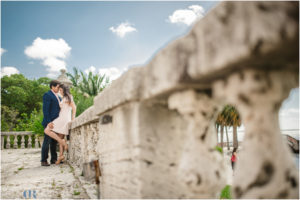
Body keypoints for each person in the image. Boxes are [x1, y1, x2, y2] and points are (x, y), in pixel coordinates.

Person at [44, 84, 76, 164]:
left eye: (61, 90)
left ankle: (62, 143)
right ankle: (61, 156)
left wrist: (73, 118)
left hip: (63, 119)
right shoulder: (63, 98)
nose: (60, 91)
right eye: (59, 90)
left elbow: (74, 107)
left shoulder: (69, 97)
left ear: (65, 90)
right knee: (60, 137)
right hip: (62, 118)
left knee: (47, 130)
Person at [41, 80, 61, 166]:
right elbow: (45, 110)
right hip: (49, 122)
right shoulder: (47, 95)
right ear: (52, 86)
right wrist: (48, 121)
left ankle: (54, 159)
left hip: (56, 122)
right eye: (57, 87)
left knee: (54, 142)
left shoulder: (59, 97)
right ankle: (43, 160)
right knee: (47, 141)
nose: (59, 88)